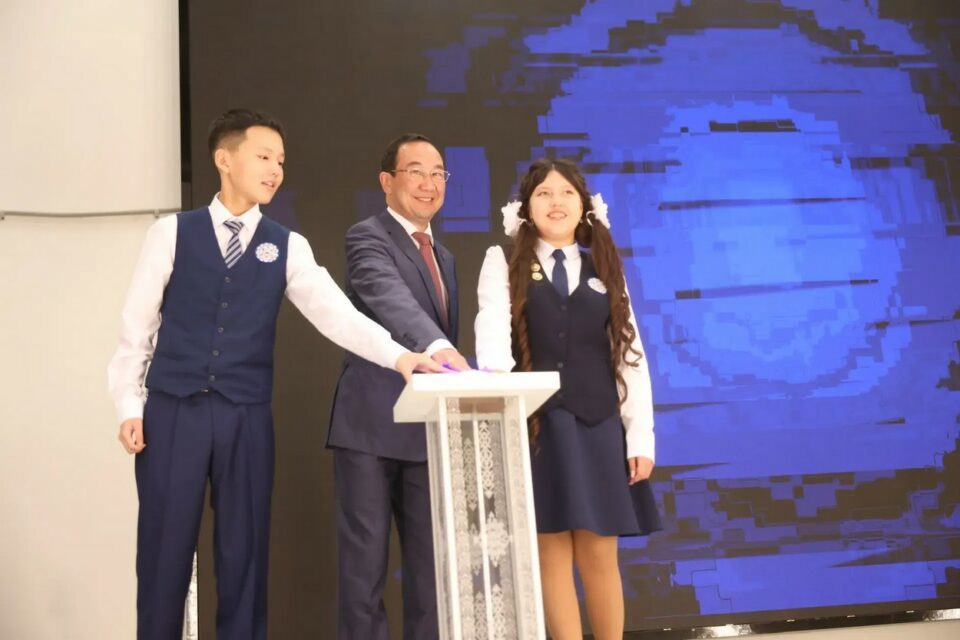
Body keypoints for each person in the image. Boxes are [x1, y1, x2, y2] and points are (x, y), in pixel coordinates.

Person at [107, 109, 441, 640]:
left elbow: (337, 315)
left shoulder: (287, 245)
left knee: (244, 558)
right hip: (172, 412)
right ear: (224, 159)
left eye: (281, 161)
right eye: (263, 157)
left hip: (246, 417)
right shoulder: (171, 233)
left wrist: (400, 356)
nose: (275, 170)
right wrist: (129, 404)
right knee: (163, 557)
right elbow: (137, 327)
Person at [475, 158, 661, 640]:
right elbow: (491, 339)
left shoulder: (605, 265)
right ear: (525, 206)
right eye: (543, 193)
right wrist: (501, 409)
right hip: (538, 429)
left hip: (599, 425)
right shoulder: (503, 262)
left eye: (565, 193)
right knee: (551, 551)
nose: (555, 202)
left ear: (584, 206)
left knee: (599, 552)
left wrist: (640, 436)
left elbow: (631, 356)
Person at [327, 133, 468, 640]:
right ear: (387, 181)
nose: (429, 183)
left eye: (438, 173)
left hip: (428, 432)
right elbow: (390, 300)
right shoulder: (367, 237)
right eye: (416, 171)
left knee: (432, 575)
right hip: (370, 427)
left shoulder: (444, 256)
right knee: (364, 573)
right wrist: (441, 349)